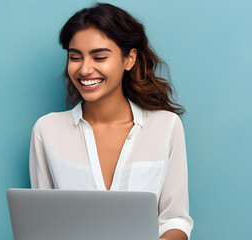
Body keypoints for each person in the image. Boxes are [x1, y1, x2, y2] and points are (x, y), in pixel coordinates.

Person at [29, 2, 194, 240]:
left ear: (129, 59)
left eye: (99, 57)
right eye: (76, 57)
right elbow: (41, 224)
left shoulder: (166, 126)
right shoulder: (47, 130)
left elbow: (175, 219)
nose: (85, 69)